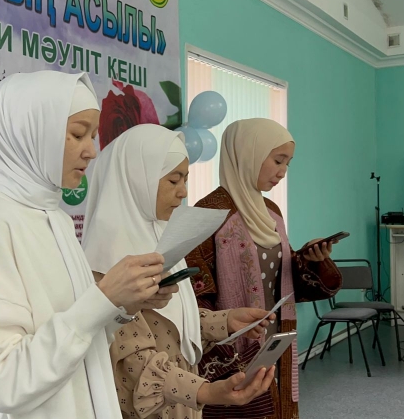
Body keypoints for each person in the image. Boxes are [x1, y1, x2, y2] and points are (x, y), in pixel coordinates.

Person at [0, 71, 176, 419]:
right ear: (31, 133)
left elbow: (81, 340)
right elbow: (1, 381)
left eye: (93, 137)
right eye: (78, 135)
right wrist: (103, 297)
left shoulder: (56, 220)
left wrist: (123, 304)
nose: (91, 151)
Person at [82, 124, 276, 419]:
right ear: (137, 178)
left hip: (180, 402)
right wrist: (207, 392)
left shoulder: (157, 234)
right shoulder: (107, 257)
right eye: (173, 180)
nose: (183, 192)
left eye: (185, 179)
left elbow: (169, 323)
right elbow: (131, 360)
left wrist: (225, 320)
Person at [185, 118, 343, 419]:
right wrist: (230, 338)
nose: (282, 171)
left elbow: (280, 277)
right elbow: (194, 297)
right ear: (248, 154)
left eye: (288, 163)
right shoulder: (208, 213)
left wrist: (310, 260)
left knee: (276, 405)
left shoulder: (271, 211)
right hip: (232, 346)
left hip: (276, 338)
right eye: (277, 160)